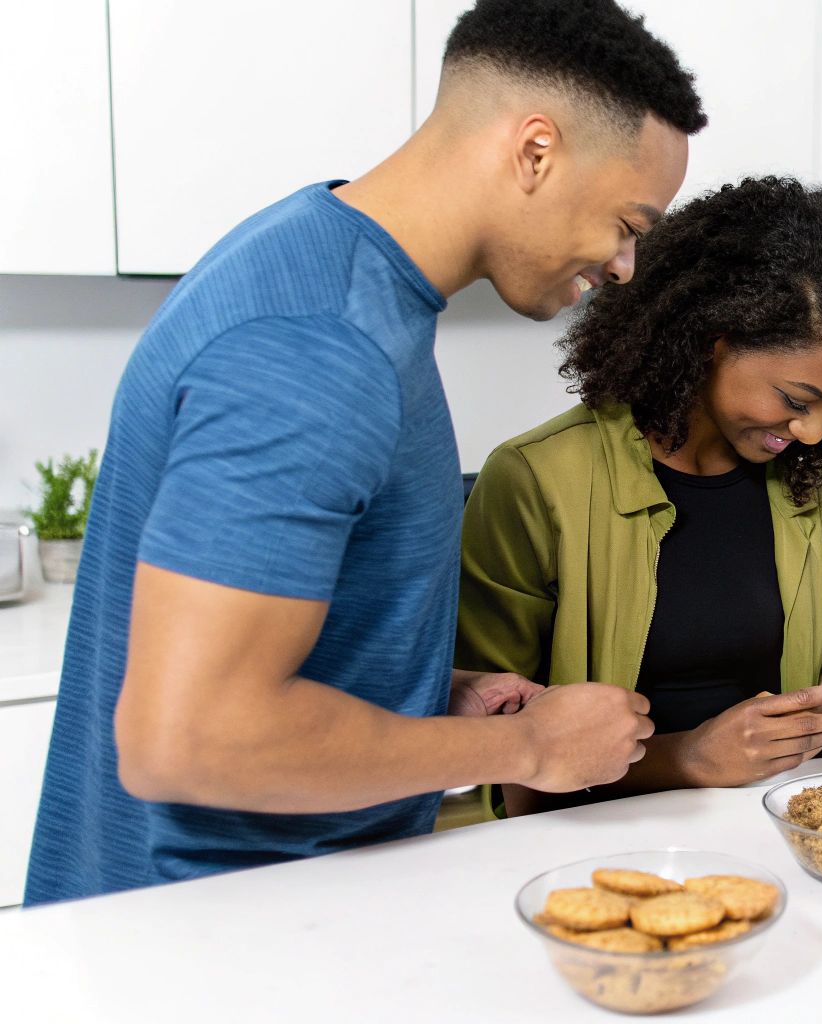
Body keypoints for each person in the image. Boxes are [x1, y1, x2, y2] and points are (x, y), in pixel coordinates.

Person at [26, 0, 706, 904]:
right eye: (630, 223)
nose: (625, 265)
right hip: (212, 935)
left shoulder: (325, 259)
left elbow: (265, 644)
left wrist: (423, 687)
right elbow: (189, 741)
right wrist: (527, 747)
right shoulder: (320, 346)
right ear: (535, 151)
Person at [457, 176, 822, 816]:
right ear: (712, 343)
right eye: (796, 400)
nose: (814, 431)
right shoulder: (536, 480)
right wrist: (688, 759)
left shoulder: (806, 484)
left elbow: (805, 690)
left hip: (764, 833)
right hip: (583, 850)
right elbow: (486, 764)